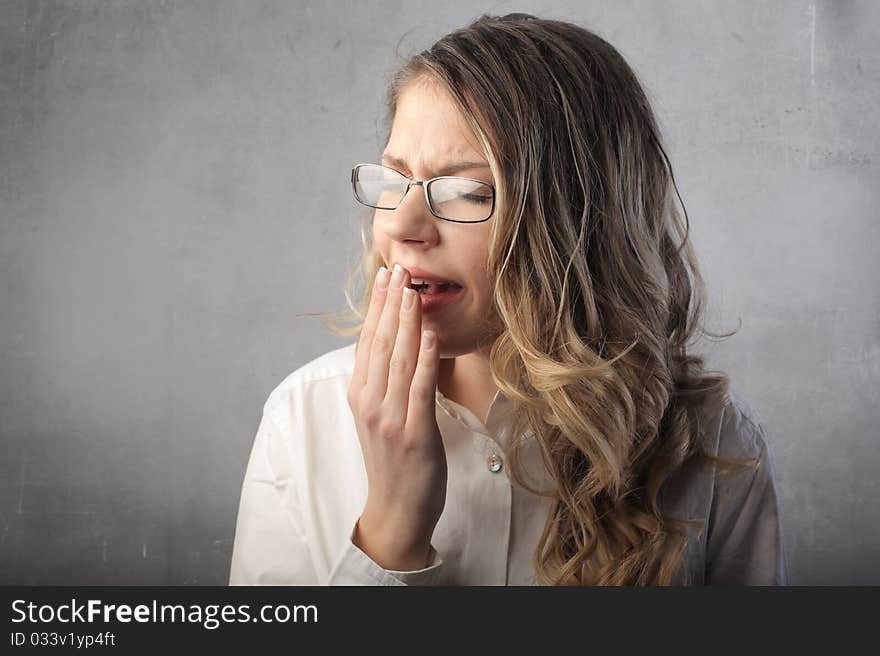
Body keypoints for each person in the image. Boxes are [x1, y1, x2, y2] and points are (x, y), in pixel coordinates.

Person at [229, 13, 787, 585]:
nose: (404, 223)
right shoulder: (301, 421)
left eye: (469, 192)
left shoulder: (715, 444)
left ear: (577, 222)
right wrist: (391, 532)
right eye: (394, 179)